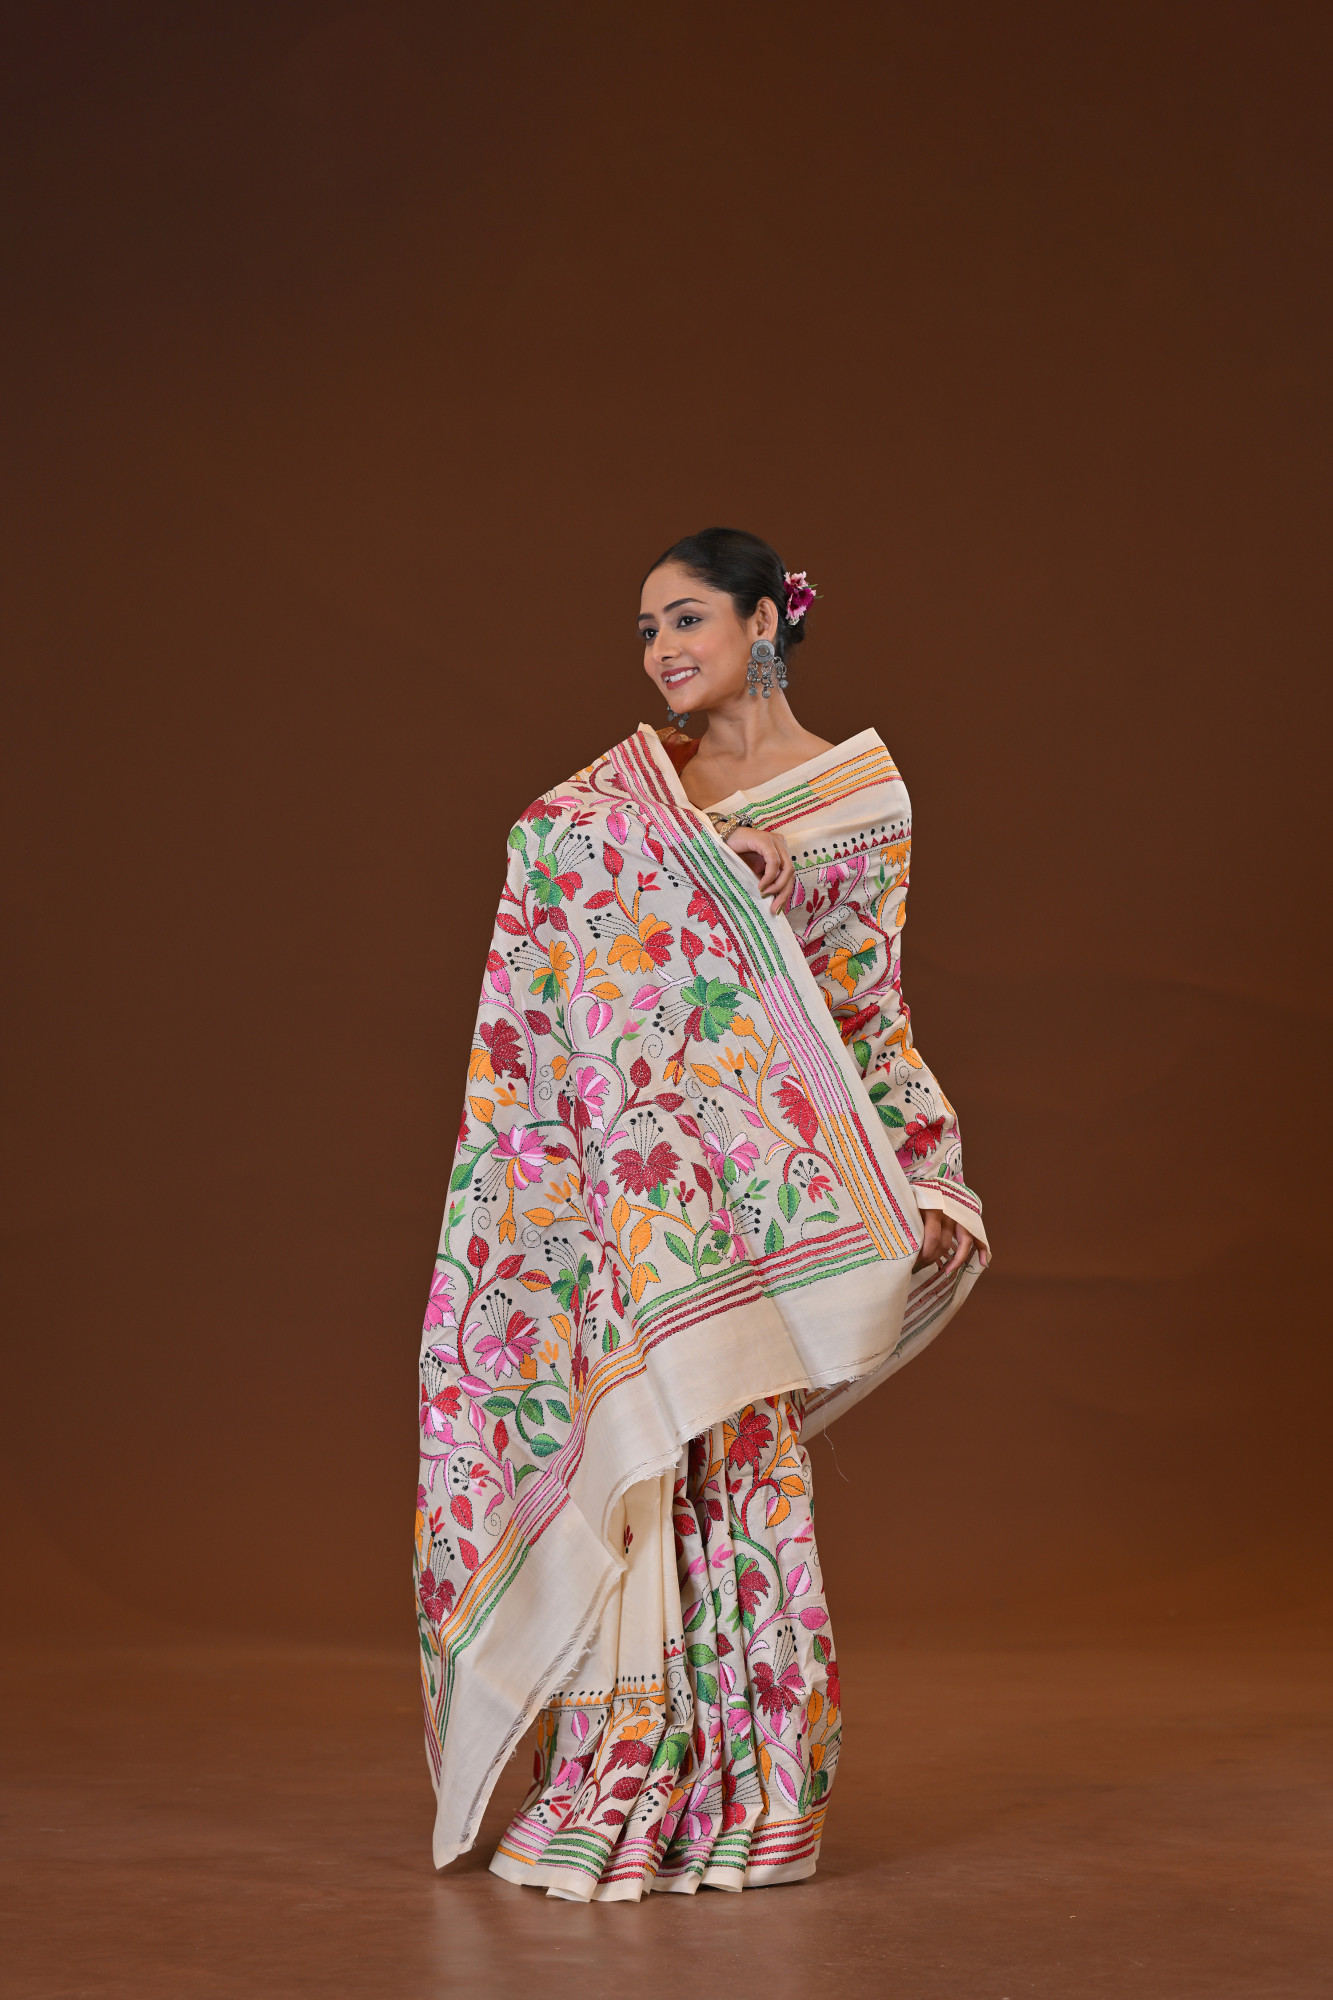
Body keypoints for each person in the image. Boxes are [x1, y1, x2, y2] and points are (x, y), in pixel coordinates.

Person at [414, 527, 988, 1900]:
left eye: (685, 618)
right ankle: (613, 1772)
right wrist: (689, 874)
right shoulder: (614, 805)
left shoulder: (859, 799)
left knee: (735, 1466)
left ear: (763, 621)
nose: (662, 649)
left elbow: (864, 1007)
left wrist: (922, 1167)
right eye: (645, 630)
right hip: (629, 1204)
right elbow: (554, 916)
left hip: (747, 1208)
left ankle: (750, 1791)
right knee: (633, 1461)